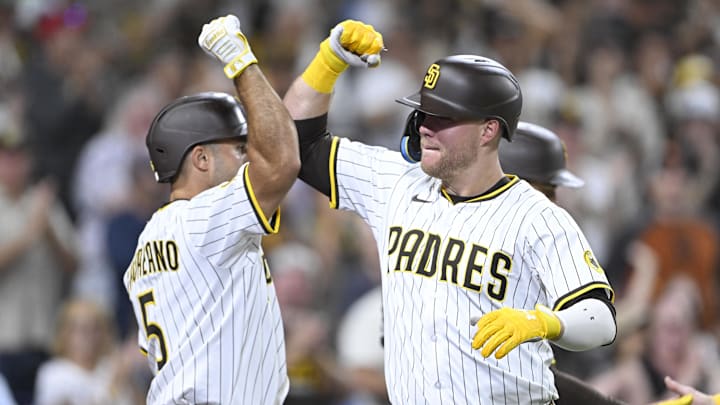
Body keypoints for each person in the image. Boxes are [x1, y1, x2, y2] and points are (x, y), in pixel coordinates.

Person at [283, 19, 616, 403]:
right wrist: (328, 61)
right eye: (423, 113)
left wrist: (544, 322)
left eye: (444, 117)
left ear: (488, 131)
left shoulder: (537, 216)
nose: (425, 127)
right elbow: (296, 144)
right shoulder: (394, 183)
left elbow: (599, 318)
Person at [123, 14, 300, 404]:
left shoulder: (144, 247)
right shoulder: (204, 219)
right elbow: (283, 161)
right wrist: (240, 60)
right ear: (200, 159)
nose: (248, 156)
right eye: (238, 148)